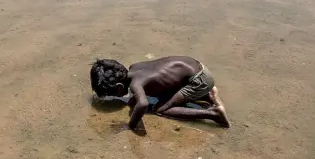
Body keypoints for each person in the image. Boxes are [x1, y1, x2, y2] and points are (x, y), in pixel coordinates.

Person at [90, 56, 229, 135]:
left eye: (114, 94)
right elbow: (157, 80)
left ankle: (214, 114)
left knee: (160, 109)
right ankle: (209, 95)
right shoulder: (134, 68)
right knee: (163, 88)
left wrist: (130, 125)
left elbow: (143, 104)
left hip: (198, 81)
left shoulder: (135, 85)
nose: (116, 96)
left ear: (119, 87)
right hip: (198, 68)